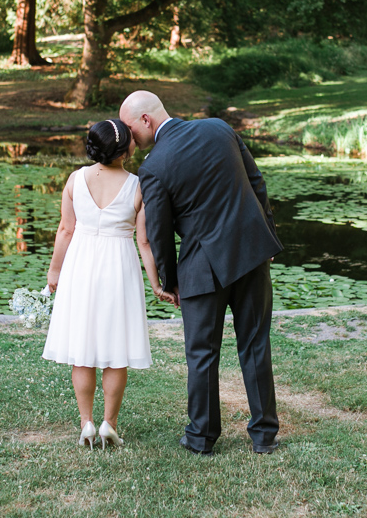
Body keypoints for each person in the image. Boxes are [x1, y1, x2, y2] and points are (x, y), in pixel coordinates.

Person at [119, 90, 283, 456]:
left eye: (131, 129)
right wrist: (267, 237)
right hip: (252, 251)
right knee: (255, 343)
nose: (131, 139)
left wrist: (168, 279)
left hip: (202, 266)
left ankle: (202, 437)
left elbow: (159, 232)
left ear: (146, 120)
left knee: (202, 353)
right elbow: (257, 184)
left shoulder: (154, 166)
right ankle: (264, 436)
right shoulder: (219, 129)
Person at [42, 119, 167, 450]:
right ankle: (109, 423)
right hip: (119, 267)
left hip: (80, 265)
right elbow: (144, 241)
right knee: (116, 350)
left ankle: (86, 423)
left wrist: (54, 272)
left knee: (82, 350)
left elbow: (65, 230)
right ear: (126, 149)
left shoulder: (74, 180)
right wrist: (157, 283)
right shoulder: (137, 185)